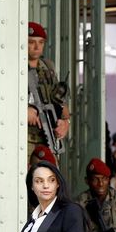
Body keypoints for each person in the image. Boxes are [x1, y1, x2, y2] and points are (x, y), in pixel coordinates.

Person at [27, 21, 70, 159]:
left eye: (41, 42)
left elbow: (61, 103)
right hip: (24, 140)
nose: (36, 47)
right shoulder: (13, 68)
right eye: (31, 42)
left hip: (48, 138)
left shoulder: (48, 67)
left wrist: (65, 123)